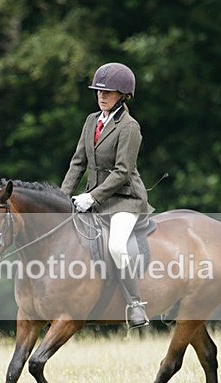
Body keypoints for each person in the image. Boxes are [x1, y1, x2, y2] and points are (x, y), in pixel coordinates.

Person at [60, 62, 154, 328]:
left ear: (123, 95)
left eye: (108, 92)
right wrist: (60, 199)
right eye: (98, 92)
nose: (101, 96)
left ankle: (135, 303)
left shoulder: (129, 127)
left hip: (125, 200)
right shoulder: (91, 121)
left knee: (115, 245)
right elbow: (77, 163)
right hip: (95, 198)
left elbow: (123, 171)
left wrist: (92, 198)